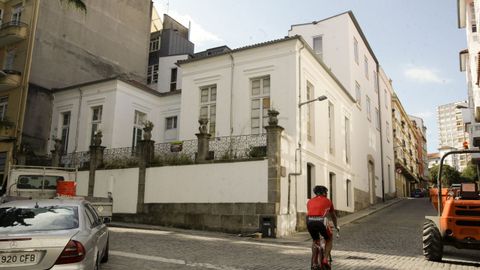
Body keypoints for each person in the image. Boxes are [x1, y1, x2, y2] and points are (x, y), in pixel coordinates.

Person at [307, 185, 339, 269]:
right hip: (321, 221)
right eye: (326, 193)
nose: (327, 194)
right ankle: (325, 259)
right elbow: (333, 216)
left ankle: (314, 262)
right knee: (329, 238)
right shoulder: (328, 201)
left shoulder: (309, 201)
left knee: (315, 240)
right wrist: (336, 226)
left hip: (309, 221)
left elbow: (311, 212)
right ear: (324, 193)